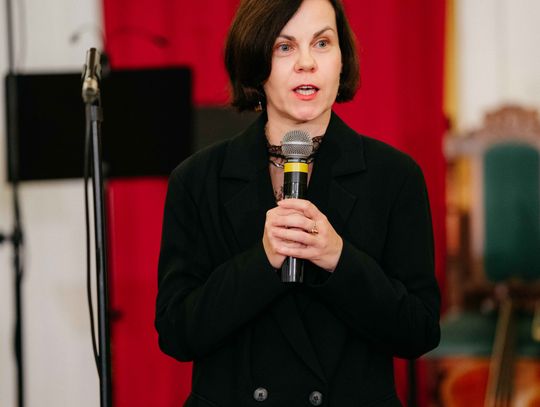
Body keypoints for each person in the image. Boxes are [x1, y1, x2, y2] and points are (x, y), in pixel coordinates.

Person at [155, 0, 441, 405]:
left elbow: (419, 331)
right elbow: (176, 333)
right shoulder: (196, 179)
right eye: (284, 46)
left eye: (322, 43)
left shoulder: (395, 176)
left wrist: (338, 258)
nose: (307, 63)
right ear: (255, 59)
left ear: (342, 59)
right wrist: (262, 261)